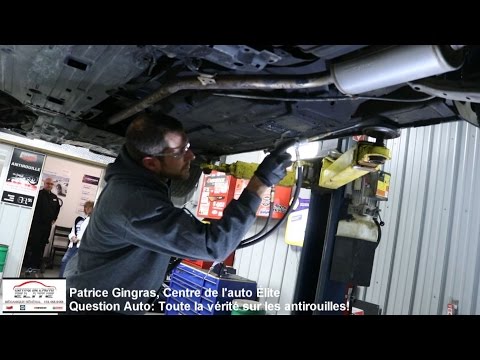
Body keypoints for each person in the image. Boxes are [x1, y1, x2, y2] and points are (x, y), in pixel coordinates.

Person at [65, 113, 292, 314]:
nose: (191, 155)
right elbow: (213, 246)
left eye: (188, 145)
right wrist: (260, 183)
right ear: (151, 163)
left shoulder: (135, 181)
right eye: (181, 151)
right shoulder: (132, 202)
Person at [23, 177, 61, 275]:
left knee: (42, 245)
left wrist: (54, 219)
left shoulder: (54, 197)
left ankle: (38, 266)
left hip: (47, 226)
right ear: (44, 183)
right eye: (48, 183)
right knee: (34, 245)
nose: (49, 185)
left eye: (51, 184)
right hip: (37, 225)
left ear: (53, 185)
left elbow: (57, 209)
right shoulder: (38, 194)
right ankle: (31, 266)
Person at [58, 201, 94, 278]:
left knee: (75, 267)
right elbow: (72, 231)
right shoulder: (79, 219)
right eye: (86, 207)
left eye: (89, 207)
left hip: (82, 246)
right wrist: (72, 237)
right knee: (65, 261)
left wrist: (79, 239)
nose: (87, 209)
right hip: (72, 245)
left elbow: (90, 234)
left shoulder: (93, 220)